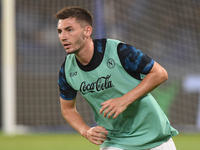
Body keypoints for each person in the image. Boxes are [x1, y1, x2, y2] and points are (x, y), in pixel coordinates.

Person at [56, 6, 178, 150]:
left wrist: (124, 100)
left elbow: (160, 74)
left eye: (69, 30)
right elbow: (68, 109)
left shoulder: (119, 51)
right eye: (60, 31)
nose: (63, 37)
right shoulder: (67, 70)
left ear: (87, 31)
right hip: (115, 141)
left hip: (154, 137)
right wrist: (85, 130)